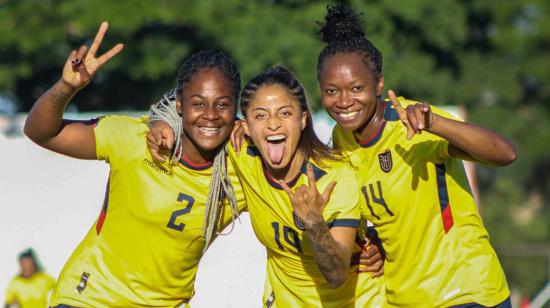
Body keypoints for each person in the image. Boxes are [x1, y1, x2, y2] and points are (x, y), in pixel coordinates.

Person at [23, 21, 246, 306]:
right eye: (199, 104)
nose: (211, 115)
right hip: (91, 296)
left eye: (223, 105)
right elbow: (41, 132)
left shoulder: (242, 169)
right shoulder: (134, 138)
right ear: (179, 104)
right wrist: (66, 88)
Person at [314, 4, 516, 307]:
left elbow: (504, 153)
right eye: (331, 91)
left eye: (356, 88)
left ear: (379, 84)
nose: (344, 101)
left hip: (463, 292)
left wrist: (435, 123)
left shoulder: (413, 122)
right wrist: (374, 246)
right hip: (404, 299)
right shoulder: (340, 140)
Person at [149, 65, 385, 307]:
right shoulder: (243, 156)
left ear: (303, 119)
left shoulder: (334, 177)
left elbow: (336, 276)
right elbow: (186, 100)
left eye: (284, 113)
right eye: (260, 115)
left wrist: (314, 222)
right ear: (246, 125)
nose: (273, 124)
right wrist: (161, 122)